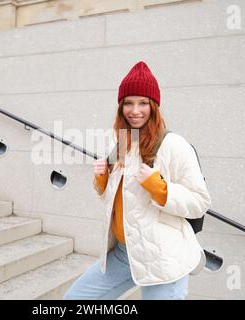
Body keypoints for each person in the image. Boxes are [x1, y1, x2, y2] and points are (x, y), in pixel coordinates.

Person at [63, 61, 211, 300]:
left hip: (163, 258)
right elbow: (117, 197)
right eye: (129, 103)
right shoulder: (123, 142)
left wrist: (159, 187)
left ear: (154, 106)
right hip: (125, 253)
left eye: (143, 103)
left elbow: (200, 201)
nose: (135, 110)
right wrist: (101, 180)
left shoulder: (174, 145)